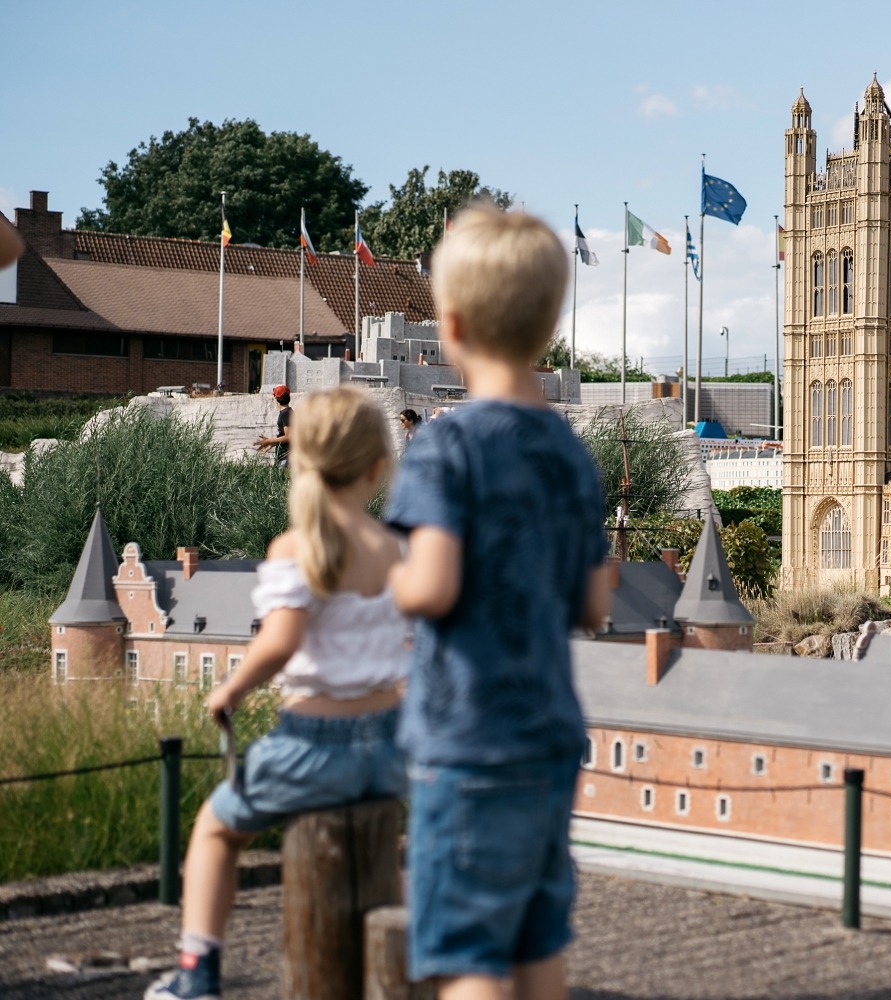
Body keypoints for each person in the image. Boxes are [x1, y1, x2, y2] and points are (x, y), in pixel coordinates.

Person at [386, 206, 610, 1000]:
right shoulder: (569, 452)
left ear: (449, 325)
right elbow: (592, 600)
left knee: (471, 953)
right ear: (548, 327)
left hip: (467, 740)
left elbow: (433, 585)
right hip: (550, 737)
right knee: (536, 941)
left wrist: (392, 574)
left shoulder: (443, 444)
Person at [146, 387, 409, 1000]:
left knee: (215, 830)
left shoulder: (299, 548)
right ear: (378, 468)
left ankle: (197, 970)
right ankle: (402, 968)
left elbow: (280, 643)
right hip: (390, 746)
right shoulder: (395, 549)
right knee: (385, 857)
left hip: (314, 747)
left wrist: (231, 689)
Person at [254, 385, 294, 467]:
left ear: (276, 398)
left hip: (286, 457)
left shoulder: (286, 414)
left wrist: (269, 441)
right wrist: (272, 444)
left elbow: (288, 437)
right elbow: (283, 436)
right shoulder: (286, 412)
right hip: (283, 456)